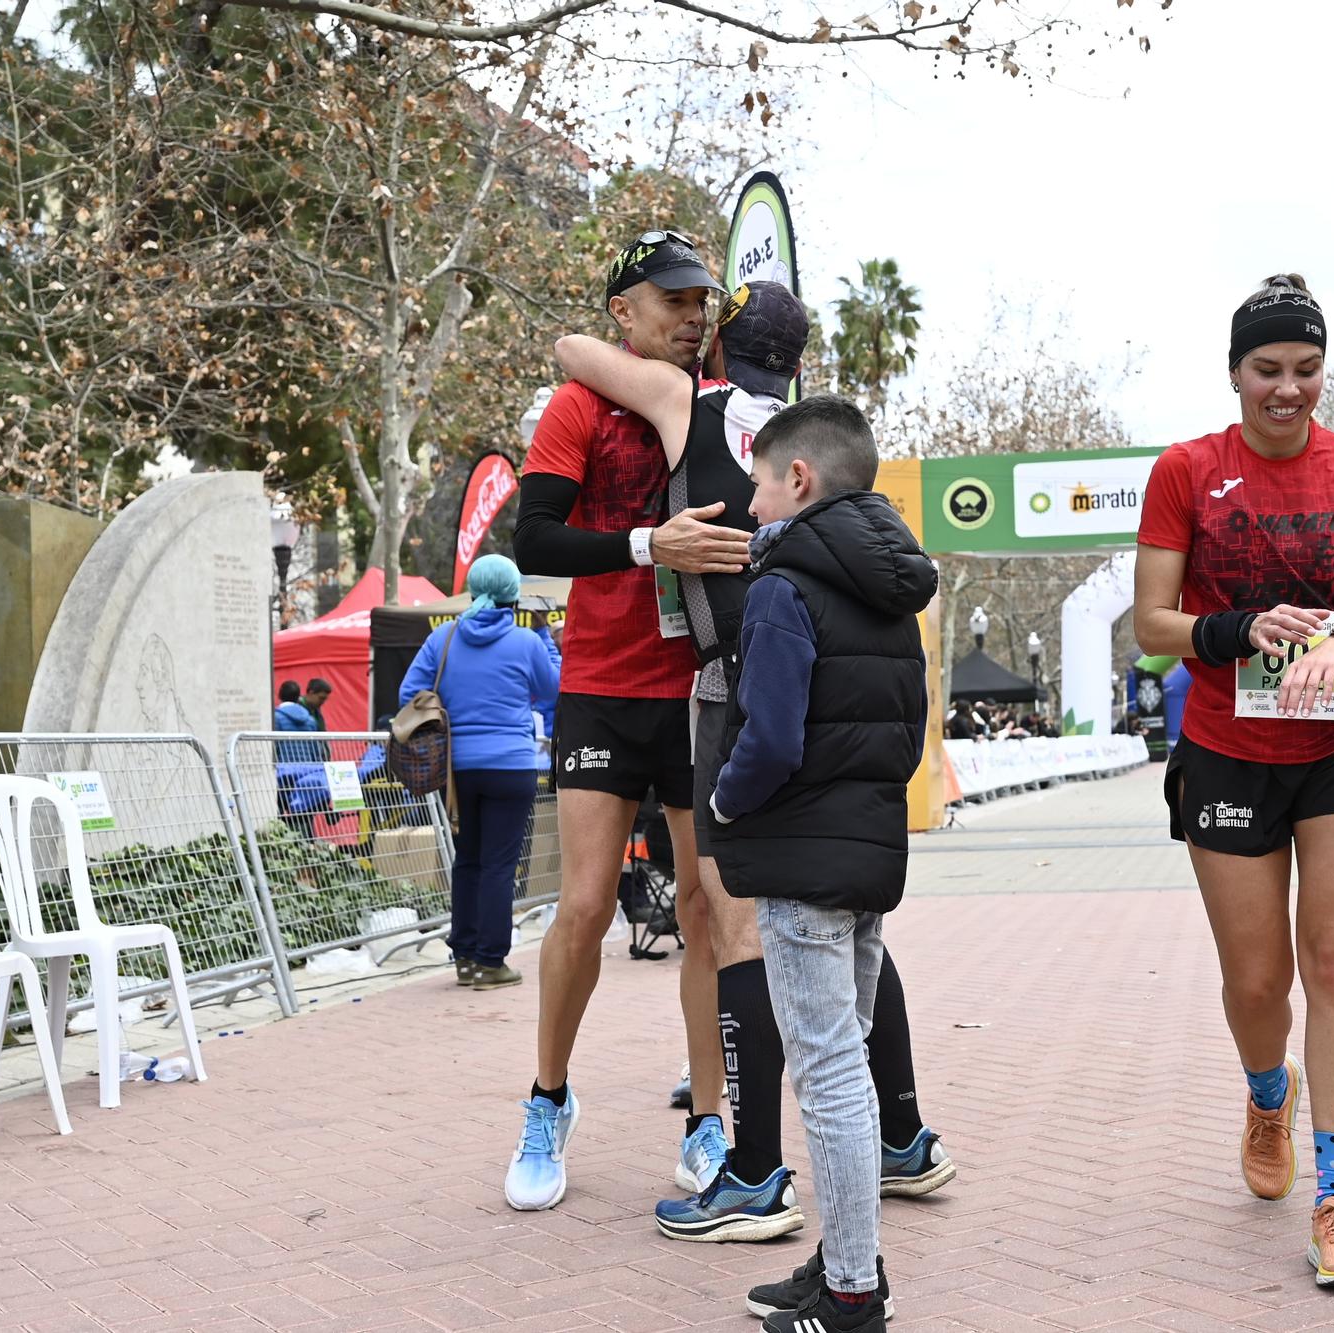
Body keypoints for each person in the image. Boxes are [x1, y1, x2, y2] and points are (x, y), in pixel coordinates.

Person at [553, 280, 955, 1248]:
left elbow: (574, 351)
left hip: (740, 689)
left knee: (741, 923)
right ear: (803, 363)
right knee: (838, 918)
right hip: (843, 712)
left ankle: (753, 1169)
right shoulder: (833, 453)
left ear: (721, 351)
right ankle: (900, 1134)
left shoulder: (687, 406)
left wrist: (654, 352)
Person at [1131, 274, 1334, 1290]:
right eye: (1267, 370)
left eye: (1305, 370)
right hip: (1227, 746)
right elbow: (1150, 622)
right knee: (1257, 982)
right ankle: (1268, 1093)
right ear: (1234, 373)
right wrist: (1234, 629)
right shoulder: (1184, 471)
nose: (1287, 390)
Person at [506, 228, 739, 1212]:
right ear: (625, 313)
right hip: (602, 683)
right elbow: (533, 541)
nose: (692, 319)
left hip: (702, 688)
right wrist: (651, 542)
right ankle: (546, 1100)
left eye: (702, 304)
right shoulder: (579, 406)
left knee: (705, 911)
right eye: (673, 301)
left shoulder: (725, 407)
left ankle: (709, 1118)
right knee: (586, 906)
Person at [704, 395, 937, 1333]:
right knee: (849, 1068)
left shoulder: (782, 586)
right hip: (866, 860)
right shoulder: (892, 587)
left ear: (797, 479)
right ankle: (845, 1260)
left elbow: (766, 740)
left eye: (759, 484)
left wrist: (721, 802)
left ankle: (849, 1295)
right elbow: (909, 732)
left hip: (800, 865)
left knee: (831, 1076)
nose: (753, 505)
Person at [399, 555, 558, 990]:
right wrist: (545, 636)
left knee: (467, 858)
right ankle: (491, 962)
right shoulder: (526, 641)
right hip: (511, 766)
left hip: (458, 769)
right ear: (513, 597)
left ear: (472, 590)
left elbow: (409, 692)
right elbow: (552, 691)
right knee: (499, 864)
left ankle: (464, 957)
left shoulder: (443, 639)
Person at [273, 681, 320, 836]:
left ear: (280, 695)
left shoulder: (276, 718)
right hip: (306, 774)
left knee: (279, 817)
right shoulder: (310, 720)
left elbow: (275, 747)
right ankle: (307, 849)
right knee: (305, 816)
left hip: (282, 774)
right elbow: (315, 750)